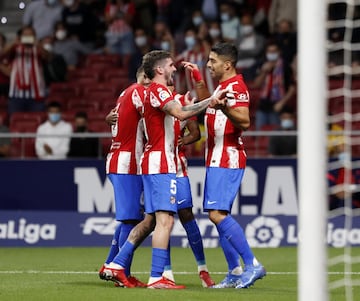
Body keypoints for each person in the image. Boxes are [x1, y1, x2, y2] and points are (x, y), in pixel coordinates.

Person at [102, 50, 221, 289]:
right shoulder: (156, 90)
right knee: (164, 221)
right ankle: (158, 277)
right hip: (160, 163)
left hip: (154, 162)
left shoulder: (154, 93)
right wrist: (211, 101)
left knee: (149, 222)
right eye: (170, 65)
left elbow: (175, 114)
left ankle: (116, 264)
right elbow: (178, 113)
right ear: (159, 70)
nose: (174, 69)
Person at [184, 42, 266, 289]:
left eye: (212, 61)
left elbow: (244, 121)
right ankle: (234, 272)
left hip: (227, 157)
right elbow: (207, 104)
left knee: (216, 214)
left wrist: (226, 109)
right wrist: (198, 80)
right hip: (215, 158)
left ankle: (252, 265)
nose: (208, 64)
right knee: (219, 215)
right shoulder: (222, 87)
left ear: (227, 64)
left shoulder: (237, 87)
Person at [99, 66, 151, 288]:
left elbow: (117, 120)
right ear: (147, 76)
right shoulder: (139, 91)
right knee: (131, 220)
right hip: (126, 163)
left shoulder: (124, 94)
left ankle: (110, 264)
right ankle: (122, 274)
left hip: (121, 160)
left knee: (129, 218)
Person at [250, 41, 294, 130]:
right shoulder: (262, 64)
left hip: (277, 107)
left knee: (275, 132)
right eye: (269, 51)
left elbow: (292, 88)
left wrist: (282, 103)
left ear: (279, 52)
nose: (272, 54)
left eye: (274, 51)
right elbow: (256, 84)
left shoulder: (285, 66)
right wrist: (264, 71)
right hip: (262, 106)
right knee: (260, 133)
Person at [5, 26, 48, 115]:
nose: (28, 37)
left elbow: (49, 57)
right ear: (20, 36)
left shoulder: (38, 49)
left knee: (37, 122)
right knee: (15, 122)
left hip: (36, 94)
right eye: (25, 35)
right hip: (16, 95)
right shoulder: (15, 49)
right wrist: (14, 43)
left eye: (30, 34)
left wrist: (38, 45)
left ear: (34, 36)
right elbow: (2, 54)